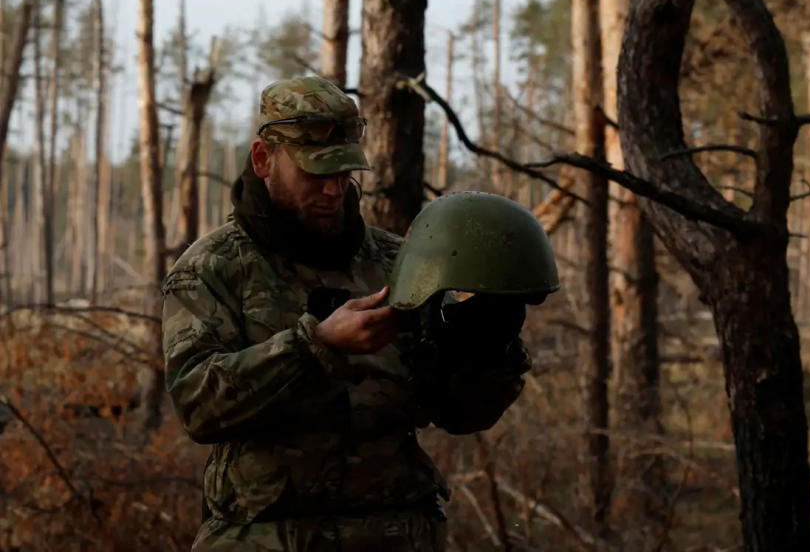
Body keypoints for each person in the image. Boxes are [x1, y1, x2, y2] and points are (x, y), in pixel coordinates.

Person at [161, 77, 534, 551]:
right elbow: (198, 406)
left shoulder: (399, 262)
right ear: (263, 160)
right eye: (315, 174)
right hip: (266, 537)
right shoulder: (211, 268)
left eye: (344, 173)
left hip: (396, 534)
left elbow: (460, 413)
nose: (334, 191)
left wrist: (488, 345)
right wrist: (315, 347)